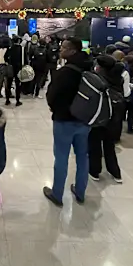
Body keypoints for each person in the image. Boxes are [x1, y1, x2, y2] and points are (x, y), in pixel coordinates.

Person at [43, 38, 93, 207]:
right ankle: (80, 191)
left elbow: (52, 95)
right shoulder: (90, 67)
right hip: (84, 120)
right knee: (82, 157)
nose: (60, 49)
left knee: (62, 157)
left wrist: (53, 108)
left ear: (72, 51)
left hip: (64, 120)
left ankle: (57, 194)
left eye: (63, 47)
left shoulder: (66, 71)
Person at [89, 55, 124, 183]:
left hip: (99, 116)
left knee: (95, 144)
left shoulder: (98, 80)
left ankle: (94, 171)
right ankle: (115, 172)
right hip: (114, 116)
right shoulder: (118, 78)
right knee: (109, 145)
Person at [4, 36, 24, 106]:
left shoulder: (10, 48)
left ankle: (7, 100)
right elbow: (23, 59)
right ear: (18, 41)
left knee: (8, 84)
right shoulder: (21, 48)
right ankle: (17, 100)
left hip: (10, 68)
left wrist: (8, 62)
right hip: (18, 69)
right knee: (17, 85)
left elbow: (5, 57)